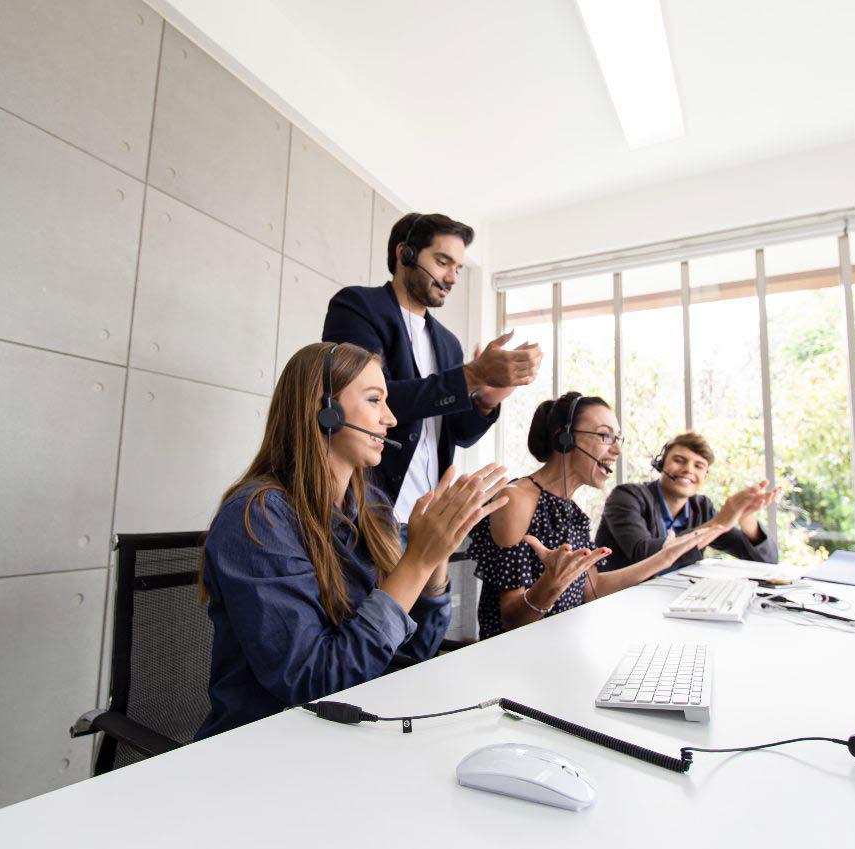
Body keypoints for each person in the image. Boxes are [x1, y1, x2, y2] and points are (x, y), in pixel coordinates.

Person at [195, 342, 508, 739]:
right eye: (375, 400)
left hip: (357, 737)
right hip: (268, 749)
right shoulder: (259, 516)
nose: (391, 419)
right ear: (325, 410)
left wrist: (435, 560)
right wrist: (415, 561)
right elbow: (315, 685)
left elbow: (414, 651)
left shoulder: (371, 507)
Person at [322, 212, 542, 526]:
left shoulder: (448, 343)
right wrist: (473, 376)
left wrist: (486, 399)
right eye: (442, 261)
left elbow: (458, 435)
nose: (452, 278)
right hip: (367, 512)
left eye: (458, 268)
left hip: (427, 517)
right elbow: (365, 402)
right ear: (405, 254)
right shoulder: (358, 307)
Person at [469, 392, 707, 639]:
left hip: (563, 645)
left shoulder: (573, 512)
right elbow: (510, 620)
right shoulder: (516, 499)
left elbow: (592, 590)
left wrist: (664, 559)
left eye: (617, 439)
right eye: (605, 436)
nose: (617, 450)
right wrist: (551, 584)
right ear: (566, 438)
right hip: (515, 657)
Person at [595, 431, 778, 575]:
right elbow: (643, 555)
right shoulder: (626, 497)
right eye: (679, 460)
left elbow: (767, 562)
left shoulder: (702, 509)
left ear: (704, 477)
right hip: (619, 600)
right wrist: (717, 524)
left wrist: (746, 518)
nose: (688, 470)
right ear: (661, 465)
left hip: (668, 600)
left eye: (699, 466)